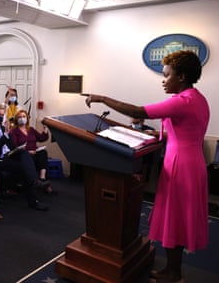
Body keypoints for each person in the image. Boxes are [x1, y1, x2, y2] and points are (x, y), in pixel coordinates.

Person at [84, 50, 209, 283]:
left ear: (181, 77)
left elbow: (137, 112)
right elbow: (186, 131)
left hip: (181, 166)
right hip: (191, 163)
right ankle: (173, 270)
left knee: (175, 219)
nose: (163, 80)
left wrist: (101, 98)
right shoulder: (198, 98)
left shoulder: (182, 101)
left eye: (167, 75)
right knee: (179, 220)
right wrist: (156, 134)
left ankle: (173, 273)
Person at [0, 104, 49, 211]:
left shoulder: (3, 128)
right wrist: (5, 136)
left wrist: (17, 148)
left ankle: (34, 194)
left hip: (8, 155)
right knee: (24, 166)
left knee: (24, 154)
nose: (0, 116)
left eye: (2, 115)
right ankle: (34, 186)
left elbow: (11, 145)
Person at [9, 110, 55, 195]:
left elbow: (42, 138)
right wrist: (27, 152)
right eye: (19, 117)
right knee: (35, 157)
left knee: (43, 153)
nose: (22, 119)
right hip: (23, 155)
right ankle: (43, 184)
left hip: (35, 153)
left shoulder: (31, 130)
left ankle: (42, 178)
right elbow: (14, 146)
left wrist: (45, 128)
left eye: (24, 116)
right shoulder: (14, 131)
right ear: (16, 119)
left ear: (27, 118)